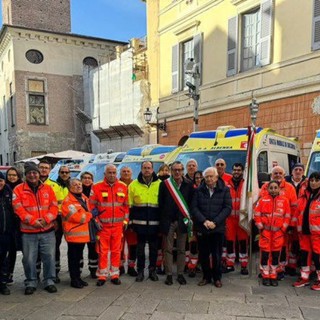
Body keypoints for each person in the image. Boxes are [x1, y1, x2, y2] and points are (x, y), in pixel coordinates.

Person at [12, 162, 58, 295]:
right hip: (28, 231)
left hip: (47, 230)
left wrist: (46, 219)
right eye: (30, 173)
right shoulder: (18, 190)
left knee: (49, 257)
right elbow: (18, 208)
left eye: (35, 173)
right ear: (26, 175)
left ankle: (49, 280)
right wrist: (32, 221)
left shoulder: (48, 189)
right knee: (29, 259)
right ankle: (31, 281)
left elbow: (54, 207)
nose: (32, 175)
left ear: (39, 174)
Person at [191, 167, 232, 288]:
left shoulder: (224, 190)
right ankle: (206, 277)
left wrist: (215, 222)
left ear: (216, 177)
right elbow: (194, 208)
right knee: (203, 254)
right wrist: (204, 221)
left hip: (217, 228)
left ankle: (217, 277)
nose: (209, 179)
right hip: (202, 227)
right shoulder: (198, 190)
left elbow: (227, 208)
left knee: (217, 254)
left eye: (211, 176)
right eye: (207, 176)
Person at [89, 164, 129, 286]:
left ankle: (115, 274)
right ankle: (102, 275)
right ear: (104, 174)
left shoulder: (123, 187)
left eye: (113, 172)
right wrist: (96, 222)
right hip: (103, 227)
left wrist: (125, 222)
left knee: (117, 251)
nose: (112, 175)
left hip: (117, 226)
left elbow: (126, 206)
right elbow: (92, 207)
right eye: (109, 172)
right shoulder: (96, 187)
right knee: (103, 251)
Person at [159, 161, 194, 285]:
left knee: (181, 249)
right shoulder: (164, 185)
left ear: (183, 170)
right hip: (168, 221)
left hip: (183, 221)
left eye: (179, 170)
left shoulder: (189, 185)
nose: (177, 172)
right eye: (175, 170)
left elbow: (191, 204)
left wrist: (189, 220)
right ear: (171, 171)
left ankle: (180, 274)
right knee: (167, 249)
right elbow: (161, 204)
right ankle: (169, 274)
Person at [259, 166, 297, 280]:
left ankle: (279, 270)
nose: (278, 175)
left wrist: (290, 225)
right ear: (271, 174)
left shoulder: (290, 187)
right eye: (275, 173)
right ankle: (265, 270)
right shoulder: (265, 187)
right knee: (266, 250)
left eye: (280, 173)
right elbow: (261, 206)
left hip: (282, 227)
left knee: (281, 249)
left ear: (284, 174)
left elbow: (294, 208)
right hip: (267, 227)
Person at [129, 161, 161, 282]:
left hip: (154, 224)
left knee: (154, 249)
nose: (147, 170)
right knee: (140, 250)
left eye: (149, 168)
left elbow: (162, 206)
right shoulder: (133, 185)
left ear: (153, 169)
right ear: (141, 169)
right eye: (144, 168)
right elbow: (130, 206)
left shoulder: (160, 184)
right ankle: (140, 271)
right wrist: (131, 223)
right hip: (139, 224)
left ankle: (152, 271)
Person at [254, 180, 291, 286]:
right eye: (271, 188)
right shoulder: (262, 200)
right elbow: (257, 214)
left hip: (278, 234)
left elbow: (287, 216)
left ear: (279, 189)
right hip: (265, 232)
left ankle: (273, 275)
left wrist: (283, 229)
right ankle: (265, 275)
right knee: (265, 255)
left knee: (275, 255)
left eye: (275, 188)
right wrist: (260, 227)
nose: (273, 190)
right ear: (268, 189)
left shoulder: (284, 201)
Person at [61, 178, 92, 288]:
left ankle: (78, 277)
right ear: (70, 187)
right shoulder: (68, 201)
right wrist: (89, 215)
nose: (78, 186)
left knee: (79, 258)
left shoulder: (84, 198)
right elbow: (79, 218)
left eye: (79, 184)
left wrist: (87, 214)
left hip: (82, 235)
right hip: (73, 235)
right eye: (75, 185)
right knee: (73, 259)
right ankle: (74, 279)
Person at [293, 172, 320, 290]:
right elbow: (297, 213)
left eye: (317, 180)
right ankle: (304, 278)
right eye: (312, 180)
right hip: (304, 233)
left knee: (318, 257)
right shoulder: (304, 196)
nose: (314, 183)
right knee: (304, 256)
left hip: (317, 234)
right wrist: (291, 226)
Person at [46, 165, 70, 283]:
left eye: (66, 172)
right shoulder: (54, 185)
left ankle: (74, 269)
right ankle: (55, 270)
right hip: (58, 218)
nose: (64, 174)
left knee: (73, 245)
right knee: (55, 245)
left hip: (70, 219)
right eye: (62, 172)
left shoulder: (72, 186)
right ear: (59, 173)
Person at [225, 163, 249, 275]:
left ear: (242, 171)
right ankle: (230, 264)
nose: (236, 172)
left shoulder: (246, 184)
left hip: (242, 217)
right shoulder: (227, 184)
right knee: (230, 241)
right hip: (229, 218)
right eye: (234, 170)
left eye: (239, 170)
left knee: (243, 242)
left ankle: (244, 265)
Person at [284, 163, 306, 275]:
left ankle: (301, 264)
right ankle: (290, 266)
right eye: (296, 169)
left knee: (301, 243)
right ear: (292, 172)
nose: (298, 171)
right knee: (290, 243)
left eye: (300, 169)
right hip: (289, 217)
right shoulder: (286, 183)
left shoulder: (307, 183)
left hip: (302, 219)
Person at [5, 167, 23, 285]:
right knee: (5, 251)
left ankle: (9, 273)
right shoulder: (3, 187)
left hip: (19, 224)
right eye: (10, 175)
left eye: (14, 175)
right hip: (6, 224)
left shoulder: (21, 188)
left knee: (13, 250)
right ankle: (5, 274)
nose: (11, 177)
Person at [119, 166, 138, 277]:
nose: (126, 173)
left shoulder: (135, 184)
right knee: (119, 245)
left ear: (131, 173)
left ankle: (131, 266)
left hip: (132, 219)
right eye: (124, 171)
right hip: (118, 220)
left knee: (133, 244)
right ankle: (120, 266)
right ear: (120, 173)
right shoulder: (116, 185)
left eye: (128, 171)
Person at [80, 171, 98, 279]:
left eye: (89, 178)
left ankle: (93, 269)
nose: (87, 180)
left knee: (93, 248)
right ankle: (79, 269)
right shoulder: (77, 190)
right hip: (80, 224)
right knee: (79, 249)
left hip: (93, 224)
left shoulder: (95, 190)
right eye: (85, 178)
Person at [0, 172, 14, 295]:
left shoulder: (8, 193)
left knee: (3, 259)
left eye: (1, 180)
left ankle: (3, 284)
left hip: (5, 233)